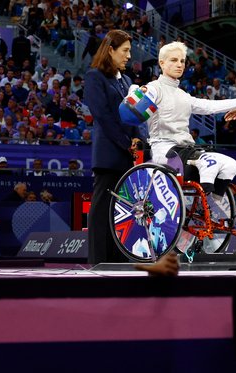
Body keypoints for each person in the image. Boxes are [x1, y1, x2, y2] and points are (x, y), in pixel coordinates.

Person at [132, 41, 236, 198]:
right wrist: (134, 90)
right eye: (174, 60)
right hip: (163, 150)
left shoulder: (183, 95)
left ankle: (213, 206)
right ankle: (206, 196)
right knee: (209, 163)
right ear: (162, 63)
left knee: (230, 164)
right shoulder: (153, 88)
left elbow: (210, 106)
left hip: (186, 150)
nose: (179, 65)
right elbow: (135, 103)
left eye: (182, 61)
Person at [84, 29, 143, 265]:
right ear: (110, 50)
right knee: (101, 210)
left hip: (126, 154)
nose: (129, 56)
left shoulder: (128, 81)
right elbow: (103, 116)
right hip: (109, 153)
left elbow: (135, 115)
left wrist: (138, 138)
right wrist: (125, 143)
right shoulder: (94, 76)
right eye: (125, 50)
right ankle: (98, 261)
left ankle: (119, 260)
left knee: (122, 212)